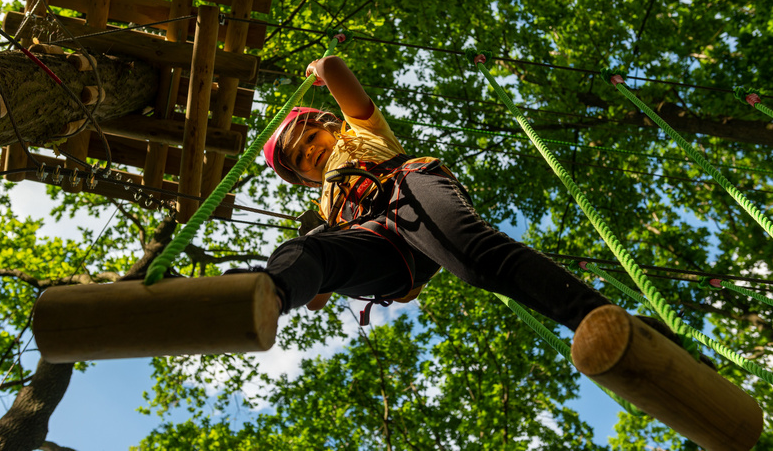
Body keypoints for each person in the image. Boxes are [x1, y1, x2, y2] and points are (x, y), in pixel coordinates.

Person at [230, 54, 615, 329]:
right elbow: (317, 298)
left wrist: (320, 68)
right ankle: (267, 293)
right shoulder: (328, 205)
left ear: (329, 126)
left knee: (477, 258)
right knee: (303, 251)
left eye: (311, 136)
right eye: (301, 156)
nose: (311, 149)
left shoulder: (362, 133)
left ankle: (595, 316)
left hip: (406, 192)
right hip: (384, 250)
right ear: (303, 177)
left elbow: (334, 69)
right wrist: (316, 242)